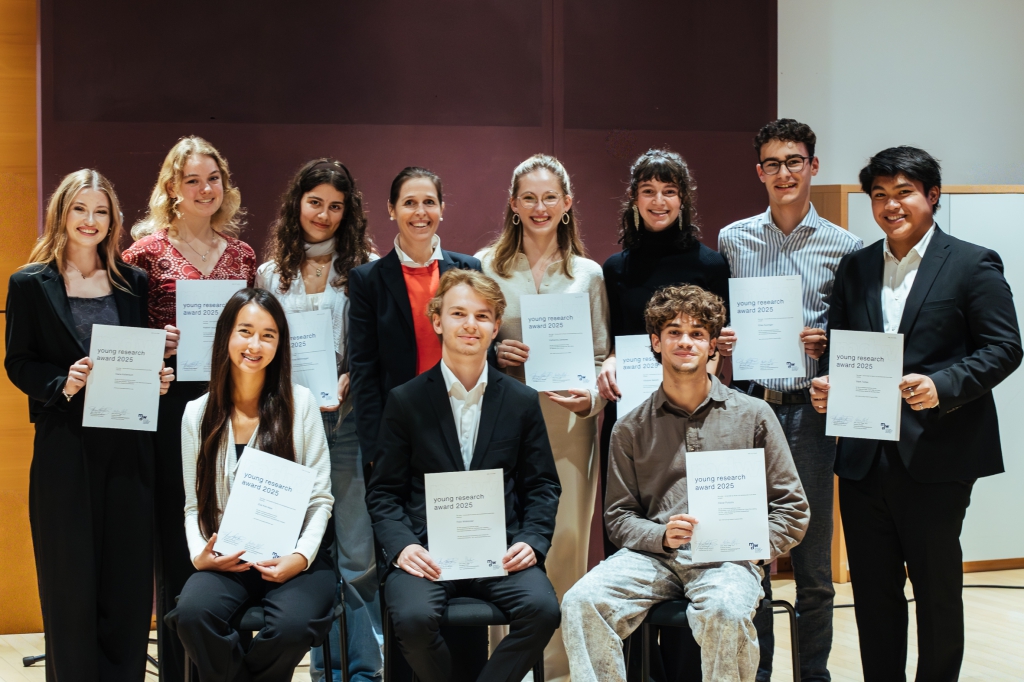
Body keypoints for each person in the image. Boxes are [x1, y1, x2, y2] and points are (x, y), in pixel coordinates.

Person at [812, 146, 1022, 681]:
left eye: (903, 192)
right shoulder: (856, 267)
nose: (891, 205)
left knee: (936, 589)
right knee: (872, 592)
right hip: (863, 455)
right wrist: (830, 384)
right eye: (879, 195)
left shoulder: (972, 263)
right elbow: (842, 346)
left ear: (932, 195)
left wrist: (941, 385)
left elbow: (1004, 347)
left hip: (937, 451)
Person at [562, 284, 809, 682]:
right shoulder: (629, 427)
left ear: (712, 345)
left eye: (697, 333)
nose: (685, 342)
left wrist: (754, 545)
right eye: (674, 331)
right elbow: (619, 517)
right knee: (581, 601)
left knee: (726, 610)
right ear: (655, 342)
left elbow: (792, 508)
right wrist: (661, 535)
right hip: (653, 558)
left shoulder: (754, 415)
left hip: (728, 559)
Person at [5, 169, 174, 681]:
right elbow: (19, 362)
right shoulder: (29, 283)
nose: (90, 220)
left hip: (128, 446)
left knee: (126, 582)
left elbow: (134, 358)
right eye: (80, 209)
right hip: (65, 448)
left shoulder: (132, 282)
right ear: (61, 213)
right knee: (69, 580)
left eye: (101, 211)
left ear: (112, 220)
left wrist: (155, 377)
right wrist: (63, 382)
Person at [716, 118, 863, 681]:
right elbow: (717, 316)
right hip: (747, 408)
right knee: (750, 552)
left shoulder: (844, 246)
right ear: (759, 172)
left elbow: (858, 333)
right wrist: (724, 338)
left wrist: (830, 343)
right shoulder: (734, 239)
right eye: (773, 164)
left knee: (812, 560)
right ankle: (757, 673)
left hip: (809, 412)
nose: (784, 173)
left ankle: (813, 674)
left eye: (794, 161)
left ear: (813, 167)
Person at [365, 269, 562, 682]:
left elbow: (542, 484)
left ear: (495, 326)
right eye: (458, 313)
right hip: (428, 553)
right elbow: (383, 492)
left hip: (500, 551)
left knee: (543, 611)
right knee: (413, 619)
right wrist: (403, 547)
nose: (470, 324)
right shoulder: (405, 401)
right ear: (437, 321)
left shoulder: (522, 401)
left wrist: (532, 540)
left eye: (482, 315)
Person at [122, 135, 257, 682]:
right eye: (192, 180)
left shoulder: (243, 255)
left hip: (233, 403)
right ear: (172, 188)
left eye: (213, 179)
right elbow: (123, 341)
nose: (205, 189)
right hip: (170, 405)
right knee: (179, 530)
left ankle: (228, 665)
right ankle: (179, 671)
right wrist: (158, 344)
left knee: (234, 522)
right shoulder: (144, 254)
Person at [598, 148, 731, 677]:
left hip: (695, 418)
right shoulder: (616, 268)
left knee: (692, 538)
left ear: (683, 199)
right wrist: (609, 358)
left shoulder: (711, 264)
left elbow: (714, 343)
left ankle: (685, 671)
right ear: (633, 199)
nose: (659, 201)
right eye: (648, 191)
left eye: (669, 191)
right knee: (634, 537)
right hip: (635, 421)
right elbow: (612, 340)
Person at [476, 153, 608, 681]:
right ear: (513, 203)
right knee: (505, 544)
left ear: (567, 203)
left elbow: (601, 356)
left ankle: (560, 670)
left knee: (568, 541)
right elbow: (468, 340)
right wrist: (495, 354)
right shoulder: (486, 266)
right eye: (528, 197)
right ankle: (507, 667)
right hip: (503, 426)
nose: (539, 207)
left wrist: (591, 400)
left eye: (550, 197)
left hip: (569, 425)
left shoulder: (588, 275)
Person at [167, 288, 337, 681]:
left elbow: (320, 499)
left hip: (294, 559)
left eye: (268, 335)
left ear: (280, 344)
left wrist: (300, 557)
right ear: (226, 335)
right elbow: (193, 505)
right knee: (192, 615)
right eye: (245, 331)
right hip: (229, 559)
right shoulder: (196, 414)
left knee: (293, 626)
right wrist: (199, 556)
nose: (255, 345)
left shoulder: (301, 404)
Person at [257, 158, 381, 682]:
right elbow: (259, 348)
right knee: (301, 548)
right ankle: (323, 669)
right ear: (297, 204)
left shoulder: (365, 268)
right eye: (315, 203)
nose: (324, 215)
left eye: (335, 206)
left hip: (347, 424)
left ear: (348, 211)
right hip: (289, 428)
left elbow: (372, 348)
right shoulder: (270, 273)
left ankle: (363, 670)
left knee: (356, 553)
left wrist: (353, 374)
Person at [348, 166, 484, 472]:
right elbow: (363, 371)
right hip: (399, 427)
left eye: (429, 202)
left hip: (465, 419)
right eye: (409, 203)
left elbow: (482, 343)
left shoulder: (469, 269)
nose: (420, 212)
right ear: (391, 209)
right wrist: (374, 448)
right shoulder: (367, 280)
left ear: (442, 209)